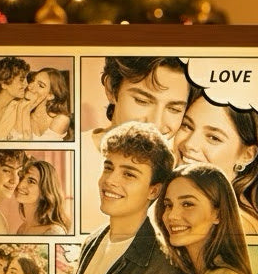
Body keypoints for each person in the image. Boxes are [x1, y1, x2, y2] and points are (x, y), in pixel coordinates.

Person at [61, 121, 189, 274]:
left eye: (129, 174)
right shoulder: (92, 241)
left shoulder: (163, 271)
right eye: (109, 167)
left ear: (153, 190)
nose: (110, 180)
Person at [79, 56, 192, 233]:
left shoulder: (185, 171)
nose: (156, 122)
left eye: (174, 109)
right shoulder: (72, 156)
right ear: (111, 89)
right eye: (142, 101)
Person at [173, 91, 258, 236]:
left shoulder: (236, 225)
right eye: (187, 126)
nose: (189, 144)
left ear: (247, 155)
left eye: (213, 138)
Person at [12, 68, 73, 141]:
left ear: (50, 95)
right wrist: (21, 109)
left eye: (40, 85)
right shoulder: (18, 109)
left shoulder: (61, 120)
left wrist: (25, 111)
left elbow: (34, 146)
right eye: (32, 81)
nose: (30, 86)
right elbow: (15, 142)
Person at [14, 159, 70, 235]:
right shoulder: (22, 228)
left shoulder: (54, 232)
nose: (20, 185)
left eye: (31, 181)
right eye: (21, 178)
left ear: (44, 191)